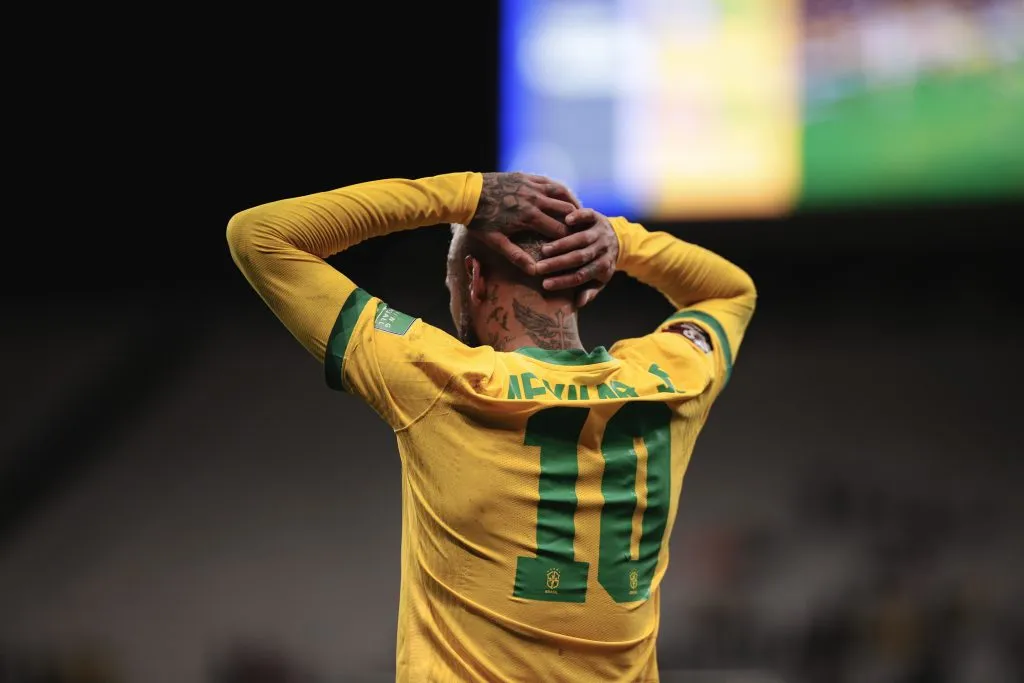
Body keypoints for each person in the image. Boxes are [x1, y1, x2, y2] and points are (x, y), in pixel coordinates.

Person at [226, 171, 756, 682]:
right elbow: (733, 292)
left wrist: (465, 193)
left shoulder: (446, 380)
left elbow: (259, 236)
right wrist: (621, 240)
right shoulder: (670, 380)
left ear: (474, 280)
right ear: (586, 285)